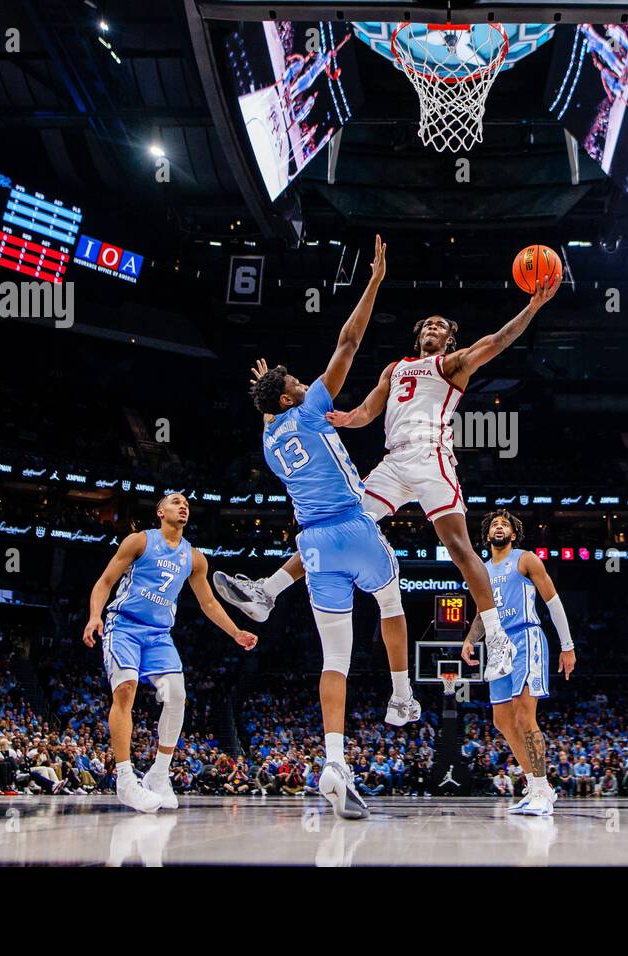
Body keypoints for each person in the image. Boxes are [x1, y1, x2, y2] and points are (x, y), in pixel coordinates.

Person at [217, 273, 562, 685]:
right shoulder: (394, 369)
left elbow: (498, 340)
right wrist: (349, 418)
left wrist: (534, 307)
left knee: (457, 545)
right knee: (336, 525)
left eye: (442, 325)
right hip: (394, 462)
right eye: (428, 324)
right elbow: (366, 412)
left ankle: (498, 636)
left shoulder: (450, 364)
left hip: (430, 454)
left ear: (450, 339)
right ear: (418, 335)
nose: (434, 327)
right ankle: (267, 592)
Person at [234, 237, 418, 821]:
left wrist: (269, 386)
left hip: (312, 546)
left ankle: (333, 762)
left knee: (332, 659)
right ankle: (402, 692)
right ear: (293, 395)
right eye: (292, 381)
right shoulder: (311, 407)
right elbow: (349, 340)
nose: (299, 380)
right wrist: (374, 282)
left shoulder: (269, 439)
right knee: (391, 598)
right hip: (354, 525)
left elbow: (268, 405)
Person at [83, 492, 258, 813]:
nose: (183, 506)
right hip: (124, 626)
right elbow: (105, 581)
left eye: (187, 505)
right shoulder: (139, 542)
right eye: (176, 502)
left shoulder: (194, 558)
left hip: (159, 635)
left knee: (176, 696)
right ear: (160, 512)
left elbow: (208, 603)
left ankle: (159, 775)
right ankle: (125, 779)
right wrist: (95, 615)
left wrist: (236, 632)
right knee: (125, 690)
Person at [461, 509, 575, 816]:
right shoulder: (482, 570)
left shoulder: (526, 559)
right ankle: (535, 787)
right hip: (497, 644)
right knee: (502, 721)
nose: (499, 527)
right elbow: (483, 612)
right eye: (494, 524)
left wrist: (568, 646)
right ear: (487, 535)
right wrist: (471, 639)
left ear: (513, 534)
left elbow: (552, 600)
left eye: (505, 524)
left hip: (526, 637)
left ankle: (541, 789)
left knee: (525, 717)